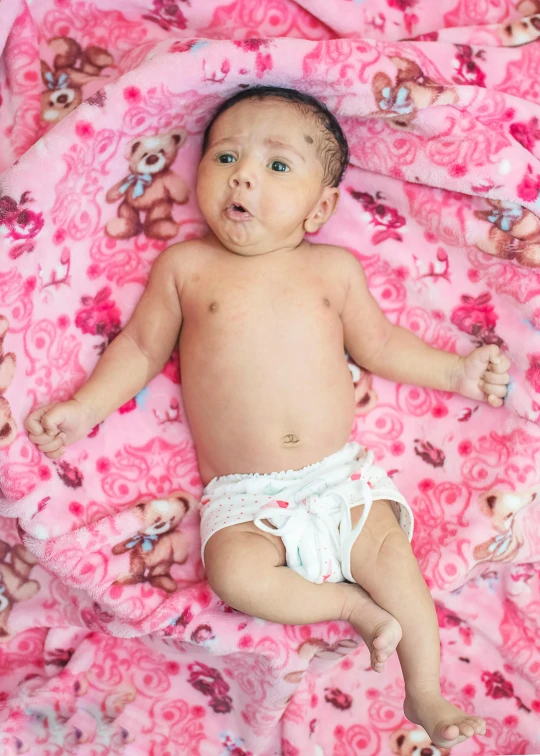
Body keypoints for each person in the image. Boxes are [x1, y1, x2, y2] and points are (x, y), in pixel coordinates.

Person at [25, 86, 510, 748]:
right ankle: (349, 608)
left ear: (321, 209)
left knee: (396, 563)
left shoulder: (333, 272)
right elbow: (138, 349)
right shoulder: (187, 268)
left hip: (343, 481)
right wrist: (84, 409)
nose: (243, 174)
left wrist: (455, 372)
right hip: (243, 497)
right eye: (224, 157)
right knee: (234, 575)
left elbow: (382, 345)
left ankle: (425, 692)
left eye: (277, 165)